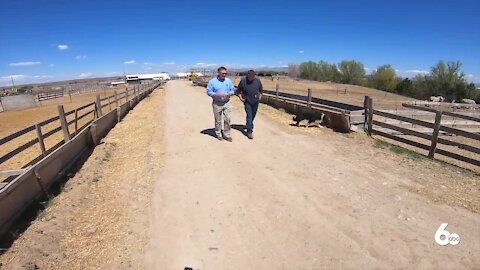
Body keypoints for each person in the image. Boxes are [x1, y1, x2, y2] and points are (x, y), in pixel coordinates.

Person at [207, 67, 235, 142]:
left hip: (227, 102)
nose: (224, 75)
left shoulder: (228, 81)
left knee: (227, 119)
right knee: (218, 120)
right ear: (218, 73)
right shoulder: (212, 82)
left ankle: (227, 134)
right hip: (217, 103)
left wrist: (230, 93)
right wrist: (216, 95)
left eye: (225, 73)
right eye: (223, 73)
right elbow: (209, 92)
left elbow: (232, 90)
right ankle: (218, 134)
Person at [237, 70, 263, 139]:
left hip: (256, 101)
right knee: (249, 115)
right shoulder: (243, 81)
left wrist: (259, 98)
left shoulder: (257, 81)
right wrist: (241, 98)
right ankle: (249, 131)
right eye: (250, 76)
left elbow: (261, 91)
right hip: (247, 101)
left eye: (253, 76)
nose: (251, 78)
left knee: (253, 115)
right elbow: (238, 91)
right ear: (247, 75)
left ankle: (249, 124)